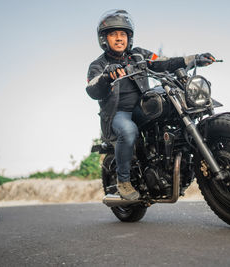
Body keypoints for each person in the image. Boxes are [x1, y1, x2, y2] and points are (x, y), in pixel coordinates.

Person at [86, 10, 215, 200]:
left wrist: (194, 59)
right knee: (129, 131)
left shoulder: (139, 55)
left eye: (123, 34)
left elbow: (164, 62)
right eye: (114, 34)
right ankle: (124, 181)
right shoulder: (99, 64)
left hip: (142, 107)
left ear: (129, 37)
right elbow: (92, 87)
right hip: (118, 113)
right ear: (104, 39)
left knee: (171, 110)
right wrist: (107, 76)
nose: (119, 38)